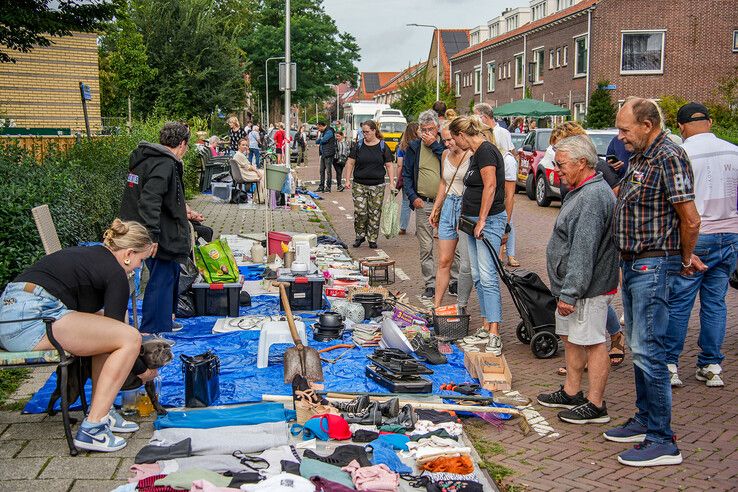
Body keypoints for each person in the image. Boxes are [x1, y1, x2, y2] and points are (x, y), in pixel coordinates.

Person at [605, 97, 706, 467]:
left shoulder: (669, 156)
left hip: (653, 263)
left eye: (625, 129)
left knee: (651, 351)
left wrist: (682, 257)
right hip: (634, 263)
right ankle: (645, 419)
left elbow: (689, 218)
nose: (620, 137)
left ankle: (663, 439)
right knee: (638, 344)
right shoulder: (642, 157)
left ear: (647, 125)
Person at [0, 219, 154, 452]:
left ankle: (102, 410)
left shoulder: (91, 256)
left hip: (10, 315)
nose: (137, 269)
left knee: (108, 334)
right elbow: (120, 331)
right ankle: (93, 428)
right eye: (140, 261)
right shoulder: (116, 274)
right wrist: (144, 371)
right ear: (128, 253)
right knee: (129, 337)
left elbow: (107, 328)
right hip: (31, 319)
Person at [536, 135, 619, 424]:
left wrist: (570, 293)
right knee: (572, 338)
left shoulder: (593, 197)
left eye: (561, 165)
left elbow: (584, 250)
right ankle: (572, 391)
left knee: (593, 341)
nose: (557, 170)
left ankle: (596, 404)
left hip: (588, 287)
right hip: (574, 285)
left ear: (582, 163)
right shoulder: (581, 190)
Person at [664, 102, 738, 388]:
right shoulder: (733, 150)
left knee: (680, 301)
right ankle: (711, 365)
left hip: (697, 235)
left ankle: (670, 363)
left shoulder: (683, 154)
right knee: (715, 303)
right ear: (709, 121)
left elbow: (678, 203)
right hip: (730, 234)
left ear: (681, 127)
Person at [120, 121, 192, 334]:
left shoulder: (148, 160)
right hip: (151, 230)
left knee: (170, 271)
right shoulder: (164, 164)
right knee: (162, 276)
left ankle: (165, 320)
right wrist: (151, 236)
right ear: (182, 143)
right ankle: (152, 330)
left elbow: (161, 196)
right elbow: (150, 199)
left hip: (142, 225)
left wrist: (184, 211)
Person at [449, 116, 507, 355]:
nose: (453, 143)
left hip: (488, 221)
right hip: (471, 222)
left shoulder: (485, 151)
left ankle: (495, 332)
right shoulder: (475, 154)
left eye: (454, 138)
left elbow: (491, 186)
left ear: (462, 135)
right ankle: (485, 324)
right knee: (476, 274)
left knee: (487, 275)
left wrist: (482, 219)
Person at [402, 110, 450, 299]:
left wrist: (435, 146)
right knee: (426, 245)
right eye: (424, 130)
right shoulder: (414, 147)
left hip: (446, 202)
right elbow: (406, 174)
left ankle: (453, 281)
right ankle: (430, 283)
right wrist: (413, 197)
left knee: (450, 243)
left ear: (437, 128)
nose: (427, 133)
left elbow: (450, 164)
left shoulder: (445, 146)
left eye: (431, 129)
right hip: (424, 202)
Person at [428, 123, 473, 309]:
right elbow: (443, 182)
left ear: (459, 136)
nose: (447, 144)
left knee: (464, 262)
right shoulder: (445, 155)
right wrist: (436, 208)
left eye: (450, 139)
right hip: (448, 206)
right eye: (444, 140)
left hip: (464, 206)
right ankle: (436, 305)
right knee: (444, 260)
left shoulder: (472, 155)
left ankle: (461, 304)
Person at [344, 120, 395, 249]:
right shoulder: (358, 145)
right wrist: (347, 180)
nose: (364, 134)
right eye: (363, 132)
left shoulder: (383, 146)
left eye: (367, 132)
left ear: (374, 131)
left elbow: (389, 165)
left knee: (374, 213)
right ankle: (360, 235)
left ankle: (372, 238)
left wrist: (392, 182)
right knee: (360, 212)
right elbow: (350, 162)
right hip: (359, 184)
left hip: (377, 185)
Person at [395, 122, 419, 235]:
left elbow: (399, 164)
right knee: (420, 202)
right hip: (419, 177)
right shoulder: (421, 145)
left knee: (405, 202)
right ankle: (419, 228)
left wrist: (397, 179)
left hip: (406, 177)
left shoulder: (402, 146)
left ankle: (403, 226)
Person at [233, 137, 265, 204]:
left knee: (262, 173)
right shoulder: (239, 155)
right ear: (238, 146)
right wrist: (257, 171)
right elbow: (248, 167)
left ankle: (259, 197)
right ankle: (261, 198)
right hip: (244, 174)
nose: (245, 146)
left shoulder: (239, 154)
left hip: (242, 173)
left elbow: (247, 164)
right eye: (243, 145)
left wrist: (247, 153)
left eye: (246, 145)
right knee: (263, 174)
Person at [315, 121, 336, 192]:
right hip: (323, 153)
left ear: (321, 126)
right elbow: (317, 141)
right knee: (321, 171)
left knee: (328, 171)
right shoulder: (323, 132)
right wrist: (321, 139)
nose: (318, 130)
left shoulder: (329, 131)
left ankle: (328, 187)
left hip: (328, 153)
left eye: (318, 128)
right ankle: (321, 186)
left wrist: (321, 139)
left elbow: (324, 140)